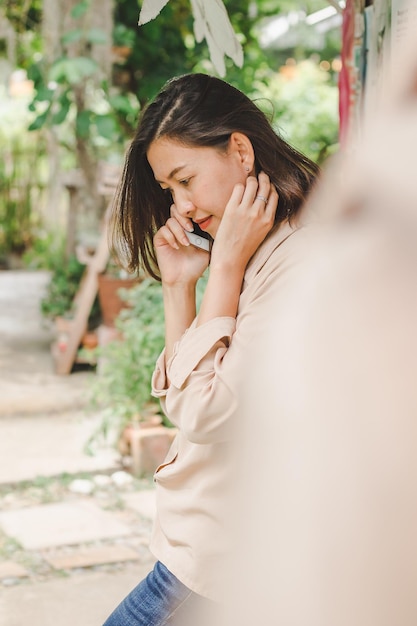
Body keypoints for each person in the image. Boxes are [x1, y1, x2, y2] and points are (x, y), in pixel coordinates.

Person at [103, 72, 320, 626]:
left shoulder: (296, 258)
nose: (181, 205)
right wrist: (180, 287)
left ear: (240, 151)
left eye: (185, 179)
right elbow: (186, 395)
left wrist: (222, 267)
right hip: (199, 552)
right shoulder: (254, 243)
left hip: (221, 559)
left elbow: (203, 411)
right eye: (169, 189)